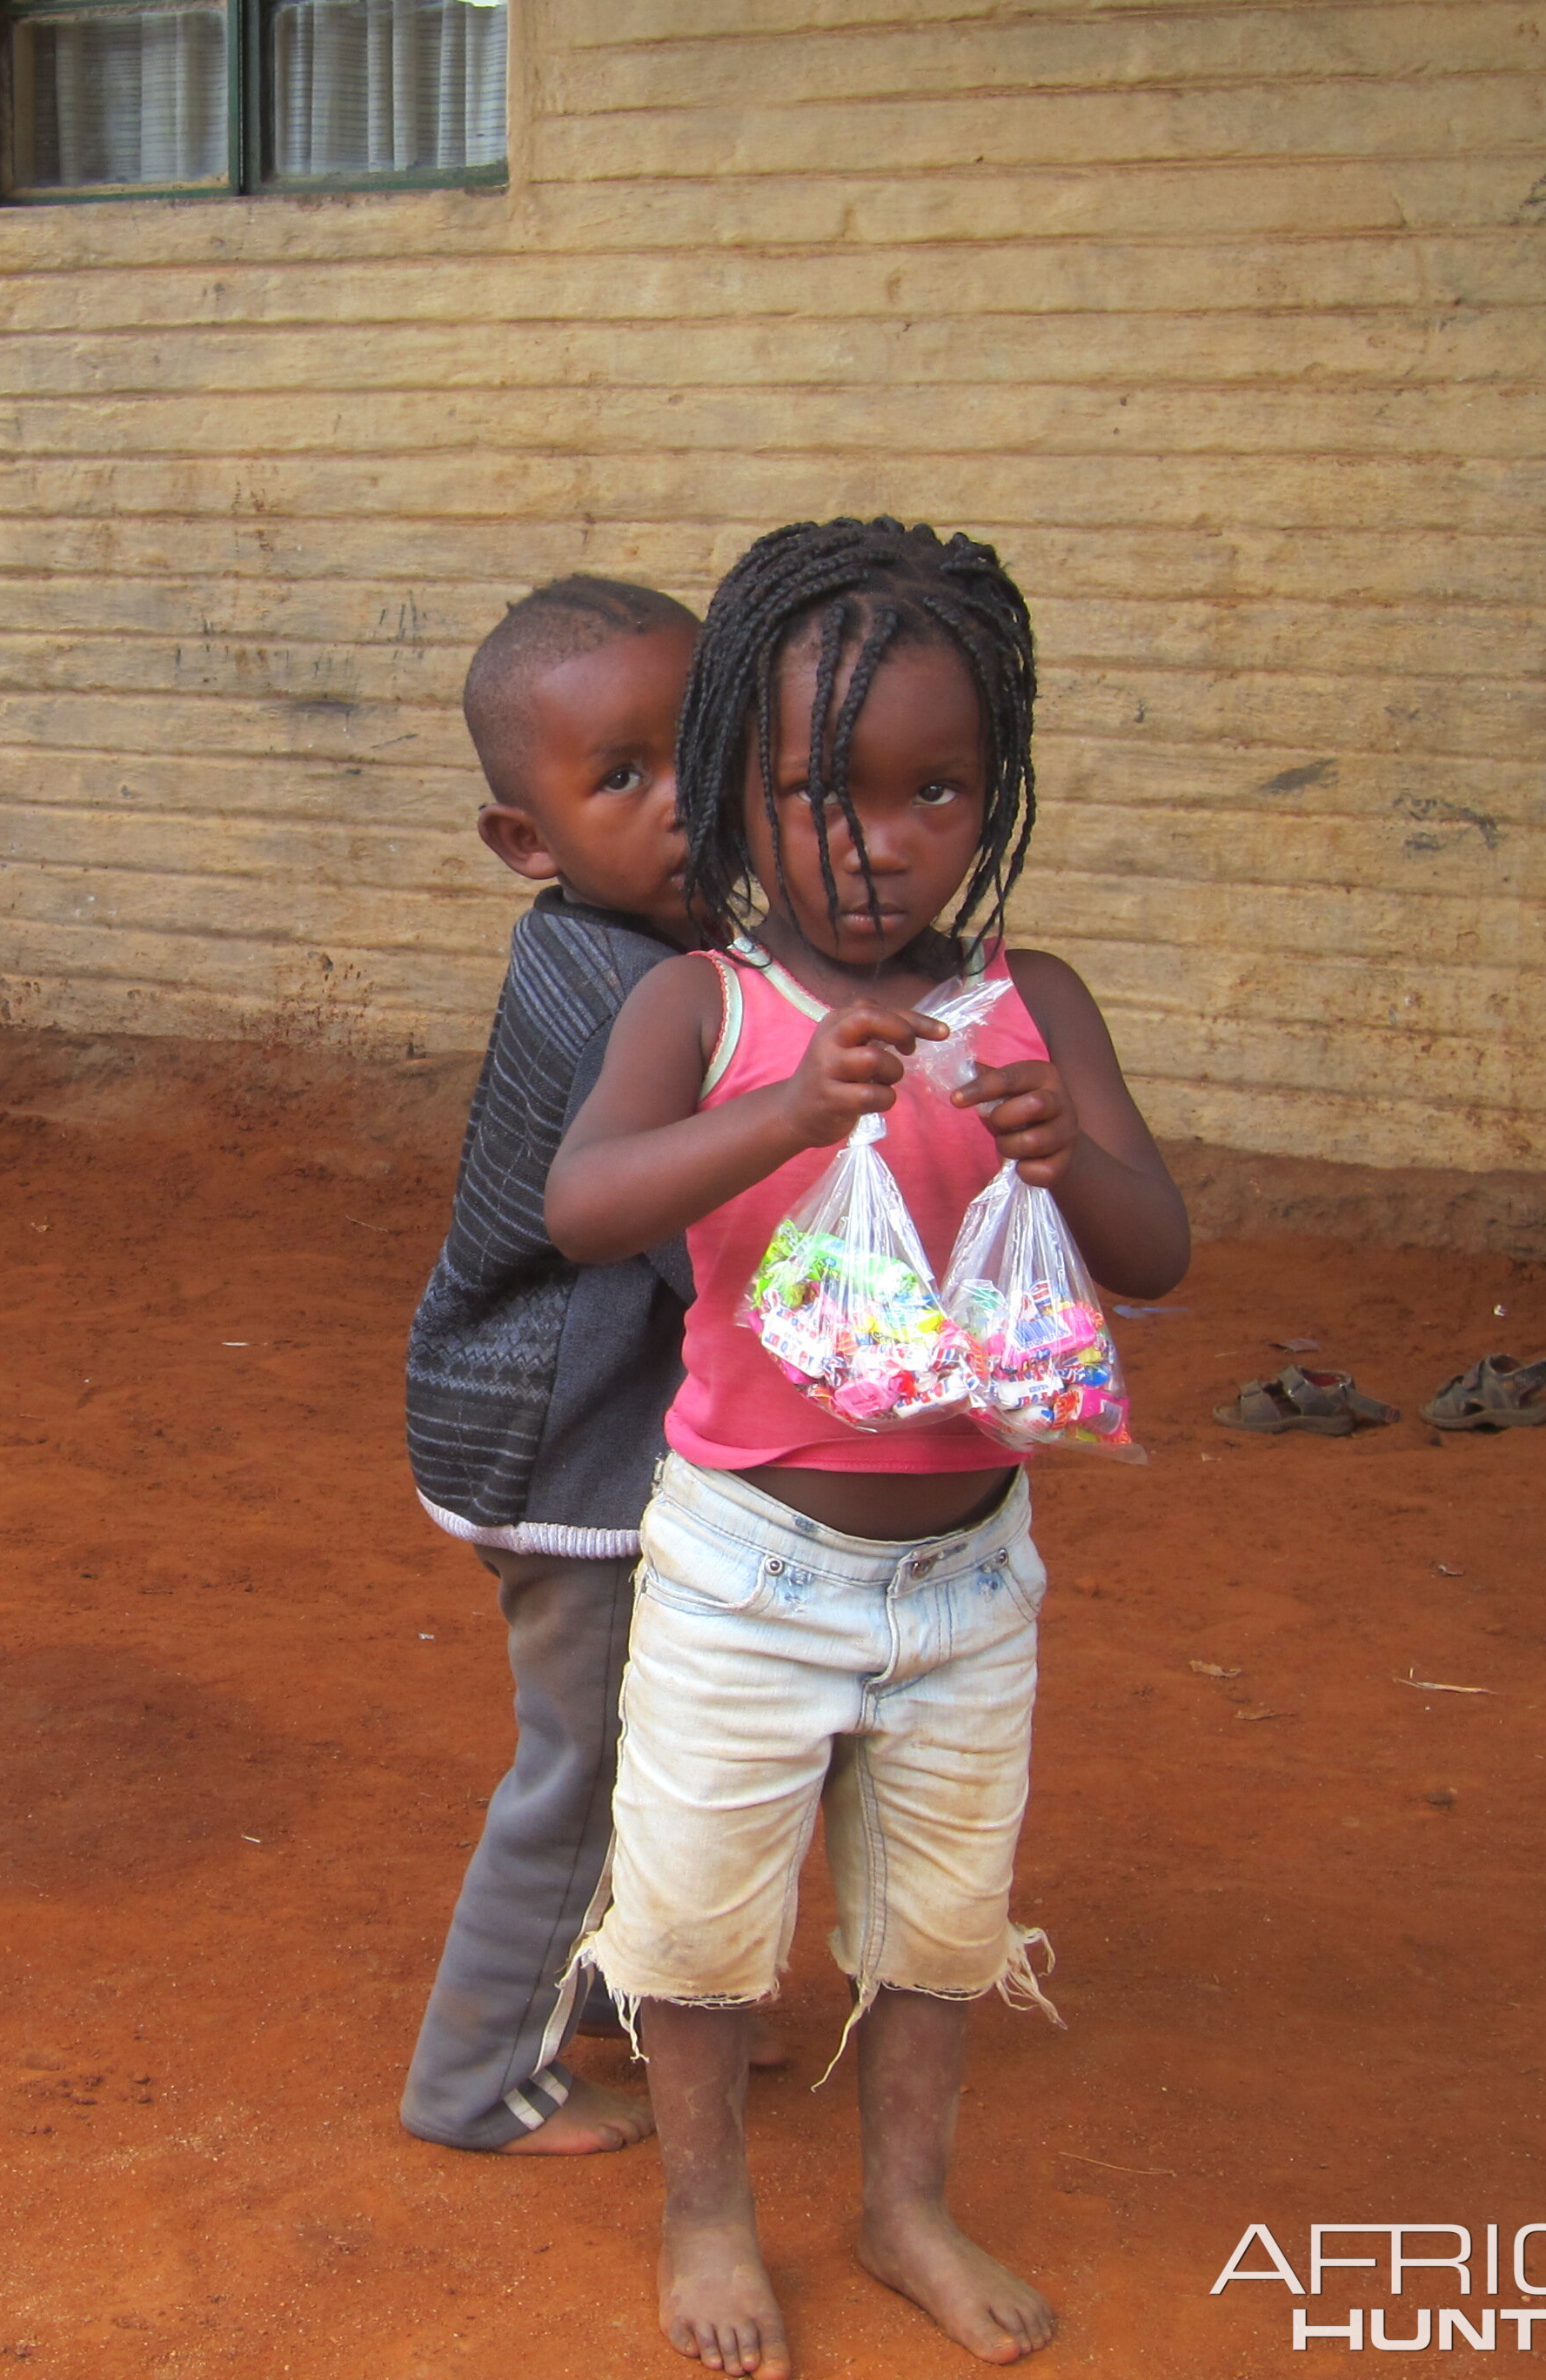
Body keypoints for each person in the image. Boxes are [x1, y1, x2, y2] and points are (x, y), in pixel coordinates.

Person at [544, 518, 1190, 2372]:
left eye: (934, 790)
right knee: (693, 1925)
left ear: (992, 802)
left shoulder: (1030, 1006)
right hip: (749, 1568)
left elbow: (1159, 1253)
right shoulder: (705, 1005)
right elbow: (585, 1206)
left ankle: (906, 2202)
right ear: (742, 793)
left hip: (973, 1578)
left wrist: (1072, 1153)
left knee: (940, 1925)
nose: (877, 837)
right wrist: (772, 1117)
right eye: (822, 790)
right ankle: (708, 2212)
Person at [399, 574, 710, 2157]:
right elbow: (696, 1249)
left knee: (656, 1730)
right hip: (555, 1436)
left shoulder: (663, 950)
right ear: (525, 842)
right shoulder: (629, 992)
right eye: (620, 779)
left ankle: (615, 1991)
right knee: (582, 1755)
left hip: (580, 1414)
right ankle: (470, 2082)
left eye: (703, 751)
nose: (682, 806)